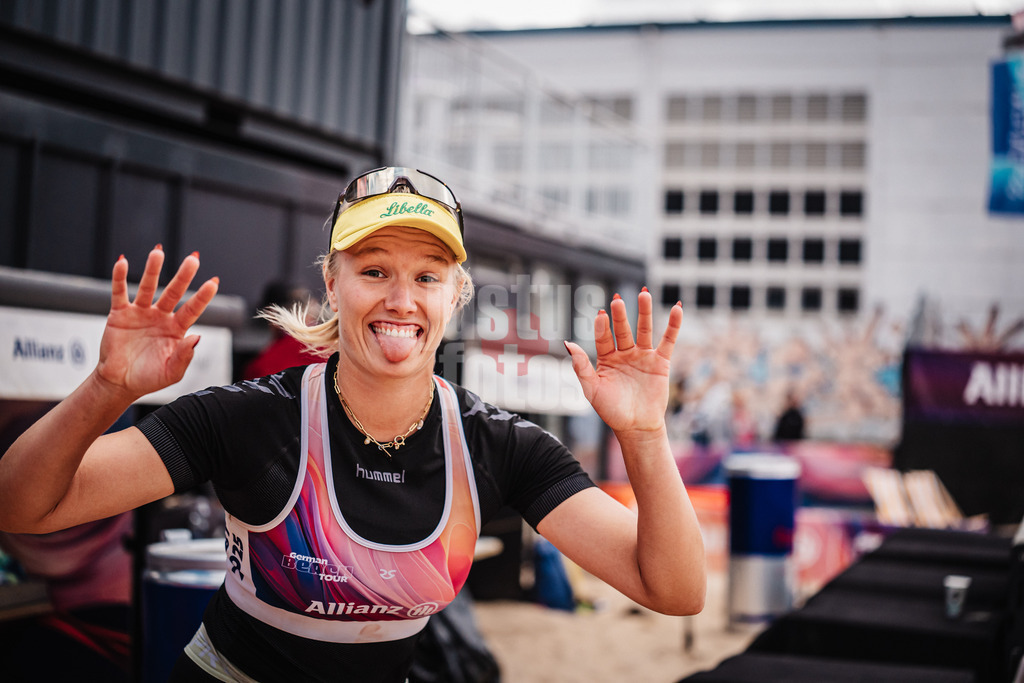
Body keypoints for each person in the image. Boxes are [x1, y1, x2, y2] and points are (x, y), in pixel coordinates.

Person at [0, 167, 706, 682]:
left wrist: (644, 436)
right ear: (332, 282)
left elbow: (673, 588)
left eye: (428, 276)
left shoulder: (496, 445)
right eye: (374, 269)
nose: (401, 299)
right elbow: (24, 506)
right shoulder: (252, 417)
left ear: (455, 296)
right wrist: (104, 388)